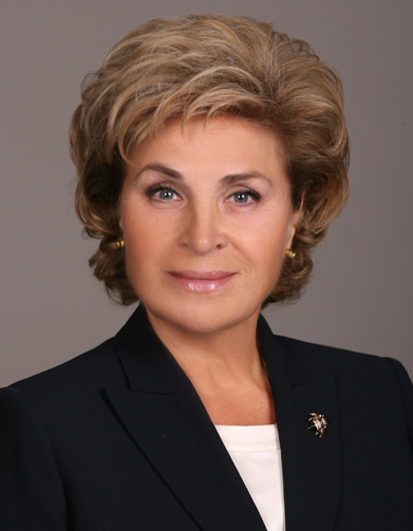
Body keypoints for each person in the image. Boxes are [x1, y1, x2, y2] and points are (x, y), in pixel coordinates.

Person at [1, 14, 412, 531]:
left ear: (295, 215)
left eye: (242, 196)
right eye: (165, 192)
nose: (201, 237)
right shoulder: (42, 423)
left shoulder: (378, 396)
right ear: (116, 210)